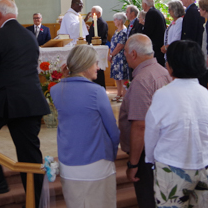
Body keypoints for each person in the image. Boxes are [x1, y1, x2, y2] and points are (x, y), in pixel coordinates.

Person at [0, 0, 49, 203]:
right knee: (30, 155)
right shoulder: (30, 35)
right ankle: (36, 202)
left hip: (6, 99)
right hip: (32, 101)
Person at [145, 40, 208, 208]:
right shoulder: (204, 93)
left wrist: (150, 159)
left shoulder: (163, 94)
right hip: (204, 164)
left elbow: (151, 132)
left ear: (170, 66)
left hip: (172, 166)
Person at [50, 45, 120, 207]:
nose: (98, 67)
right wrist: (113, 151)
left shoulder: (56, 90)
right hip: (97, 164)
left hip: (68, 164)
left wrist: (65, 78)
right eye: (95, 63)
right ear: (85, 65)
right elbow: (113, 131)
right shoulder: (96, 92)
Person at [118, 34, 172, 208]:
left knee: (148, 200)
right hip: (164, 150)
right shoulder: (163, 72)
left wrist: (133, 163)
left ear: (133, 54)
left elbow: (140, 125)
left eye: (125, 52)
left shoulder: (142, 80)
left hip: (147, 156)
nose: (124, 56)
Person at [141, 0, 167, 66]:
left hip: (156, 47)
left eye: (142, 4)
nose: (142, 6)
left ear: (145, 4)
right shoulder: (157, 12)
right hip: (160, 44)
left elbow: (148, 31)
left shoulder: (151, 13)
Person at [108, 12, 129, 102]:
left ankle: (124, 95)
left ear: (120, 21)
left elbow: (120, 45)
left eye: (115, 20)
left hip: (121, 57)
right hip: (115, 57)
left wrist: (112, 54)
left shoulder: (124, 31)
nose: (114, 22)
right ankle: (118, 94)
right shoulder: (117, 31)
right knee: (117, 76)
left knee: (123, 76)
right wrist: (111, 55)